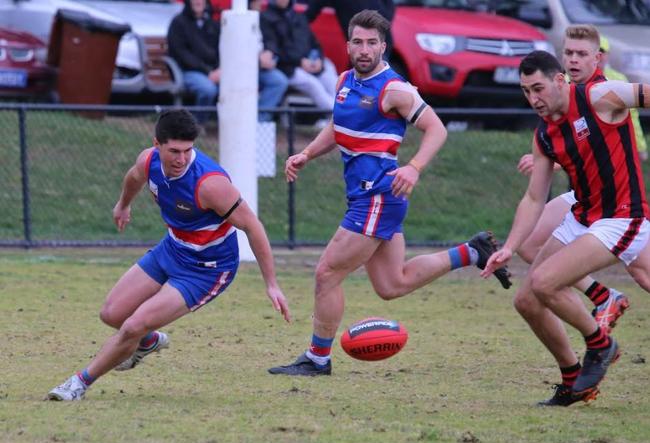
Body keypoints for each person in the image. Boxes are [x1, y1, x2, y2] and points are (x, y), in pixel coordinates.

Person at [268, 10, 511, 377]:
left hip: (378, 195)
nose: (364, 50)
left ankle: (317, 358)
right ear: (348, 44)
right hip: (368, 198)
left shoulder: (394, 88)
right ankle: (473, 251)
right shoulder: (345, 81)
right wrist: (306, 153)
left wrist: (413, 167)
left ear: (383, 46)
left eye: (371, 43)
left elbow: (437, 129)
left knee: (327, 273)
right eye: (357, 42)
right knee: (391, 284)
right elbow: (338, 126)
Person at [47, 109, 291, 401]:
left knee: (133, 326)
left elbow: (252, 225)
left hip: (206, 269)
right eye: (174, 151)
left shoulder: (210, 184)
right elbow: (134, 177)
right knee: (112, 314)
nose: (181, 159)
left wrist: (271, 283)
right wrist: (123, 205)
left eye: (187, 151)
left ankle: (79, 383)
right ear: (157, 144)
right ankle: (148, 342)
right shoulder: (148, 160)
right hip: (172, 248)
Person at [482, 50, 650, 406]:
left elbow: (642, 94)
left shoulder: (598, 97)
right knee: (527, 299)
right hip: (584, 216)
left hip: (622, 216)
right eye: (526, 92)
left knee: (545, 282)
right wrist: (510, 247)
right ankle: (577, 382)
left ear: (560, 80)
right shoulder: (544, 135)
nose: (534, 99)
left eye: (539, 88)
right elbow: (533, 199)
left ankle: (601, 344)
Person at [515, 25, 637, 333]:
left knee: (644, 273)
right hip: (584, 199)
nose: (573, 60)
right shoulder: (560, 94)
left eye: (582, 54)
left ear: (597, 59)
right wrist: (549, 160)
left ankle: (600, 326)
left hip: (617, 204)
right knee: (528, 245)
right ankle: (603, 296)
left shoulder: (602, 91)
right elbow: (572, 143)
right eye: (568, 53)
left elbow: (595, 141)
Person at [260, 0, 339, 124]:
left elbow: (314, 43)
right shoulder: (266, 18)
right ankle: (340, 116)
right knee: (313, 85)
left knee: (331, 79)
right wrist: (300, 62)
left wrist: (318, 59)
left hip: (310, 63)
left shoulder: (298, 17)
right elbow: (274, 50)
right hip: (287, 68)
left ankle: (341, 115)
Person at [168, 0, 222, 123]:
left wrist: (220, 69)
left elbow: (221, 50)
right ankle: (198, 125)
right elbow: (181, 54)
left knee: (235, 86)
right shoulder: (178, 23)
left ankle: (227, 127)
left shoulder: (211, 24)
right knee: (208, 89)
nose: (198, 2)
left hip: (214, 71)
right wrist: (208, 72)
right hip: (187, 71)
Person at [599, 35, 648, 163]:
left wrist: (640, 146)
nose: (598, 55)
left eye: (602, 51)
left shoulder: (619, 79)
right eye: (595, 51)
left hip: (615, 146)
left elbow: (631, 114)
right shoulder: (572, 78)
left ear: (608, 55)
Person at [305, 0, 395, 56]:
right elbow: (309, 14)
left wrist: (382, 21)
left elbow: (390, 6)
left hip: (379, 40)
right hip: (359, 43)